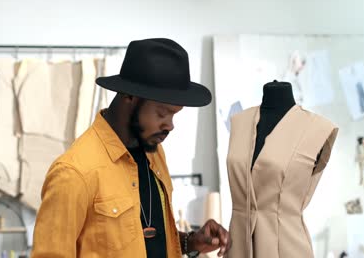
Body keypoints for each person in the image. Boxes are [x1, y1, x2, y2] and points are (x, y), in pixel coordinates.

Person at [31, 38, 231, 258]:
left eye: (175, 114)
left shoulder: (154, 153)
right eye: (162, 113)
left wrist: (191, 241)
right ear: (129, 97)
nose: (170, 125)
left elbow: (146, 237)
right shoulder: (74, 173)